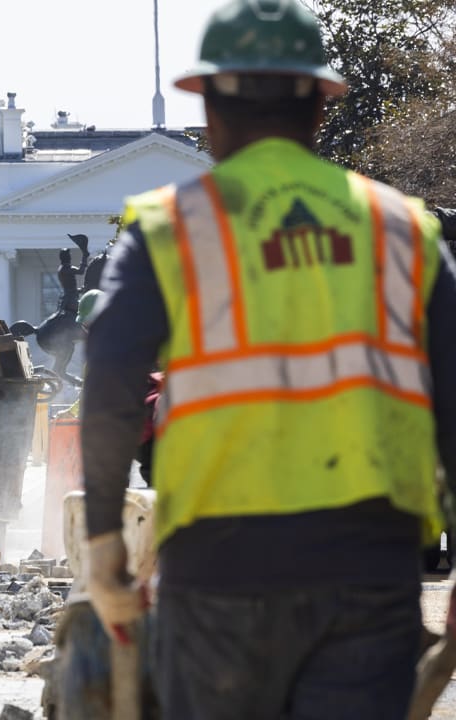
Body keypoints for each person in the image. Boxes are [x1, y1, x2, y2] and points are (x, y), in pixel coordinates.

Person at [80, 1, 456, 718]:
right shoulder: (404, 230)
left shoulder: (170, 227)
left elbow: (110, 381)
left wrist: (104, 545)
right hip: (369, 570)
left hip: (220, 569)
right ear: (321, 105)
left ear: (210, 111)